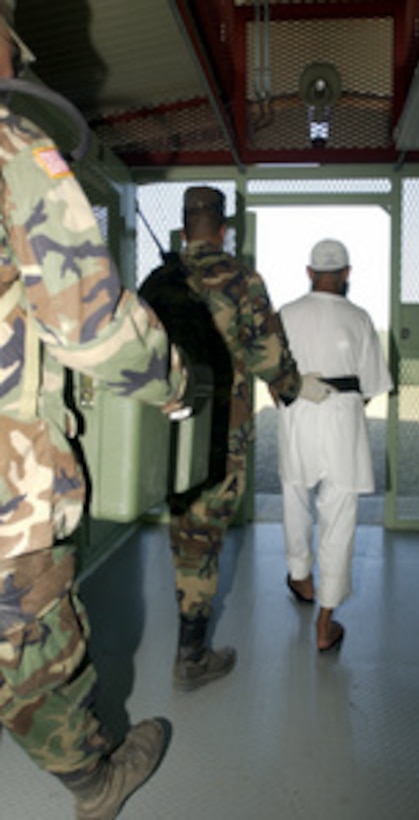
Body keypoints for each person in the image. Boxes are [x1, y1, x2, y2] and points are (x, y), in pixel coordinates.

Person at [0, 5, 191, 817]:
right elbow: (93, 323)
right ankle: (94, 780)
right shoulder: (11, 148)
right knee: (30, 637)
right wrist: (172, 384)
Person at [139, 185, 331, 692]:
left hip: (166, 428)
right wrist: (294, 388)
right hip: (225, 428)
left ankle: (188, 621)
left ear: (184, 231)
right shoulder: (244, 279)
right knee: (205, 535)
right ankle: (192, 656)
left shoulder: (158, 280)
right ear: (223, 230)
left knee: (183, 523)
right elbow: (268, 357)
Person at [277, 238, 393, 652]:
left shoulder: (285, 315)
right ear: (346, 274)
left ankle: (300, 577)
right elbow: (374, 384)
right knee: (339, 516)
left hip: (297, 413)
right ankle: (326, 622)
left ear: (309, 272)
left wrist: (293, 398)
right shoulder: (359, 318)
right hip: (343, 419)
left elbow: (269, 370)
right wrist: (342, 404)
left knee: (295, 499)